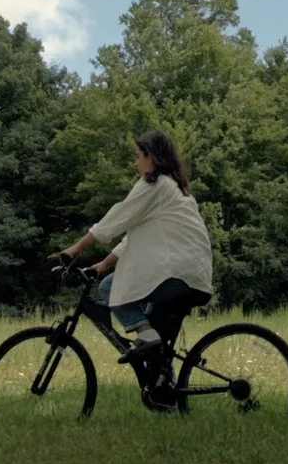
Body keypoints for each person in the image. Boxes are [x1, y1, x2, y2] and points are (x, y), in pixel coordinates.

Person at [58, 130, 214, 405]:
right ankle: (164, 393)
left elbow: (116, 218)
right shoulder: (174, 189)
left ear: (151, 158)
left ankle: (150, 342)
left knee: (110, 288)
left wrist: (76, 248)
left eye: (138, 156)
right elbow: (133, 237)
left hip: (176, 274)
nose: (135, 163)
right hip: (191, 275)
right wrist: (103, 264)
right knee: (154, 343)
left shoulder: (153, 184)